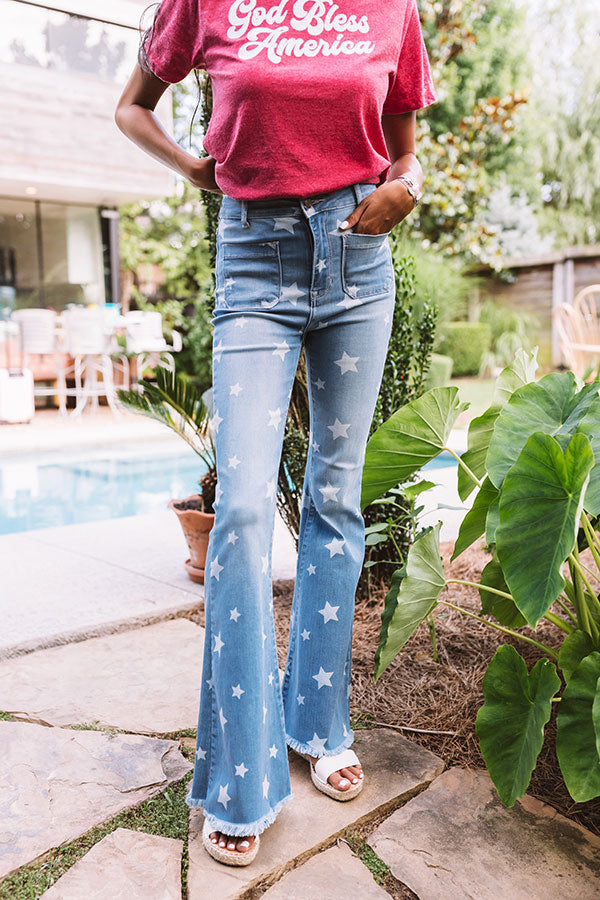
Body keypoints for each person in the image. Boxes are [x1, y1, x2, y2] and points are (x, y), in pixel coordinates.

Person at [115, 0, 437, 867]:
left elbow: (404, 146)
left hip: (359, 261)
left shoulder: (389, 8)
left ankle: (317, 720)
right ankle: (240, 776)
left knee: (335, 496)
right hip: (254, 257)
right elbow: (131, 103)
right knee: (247, 512)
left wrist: (407, 184)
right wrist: (192, 169)